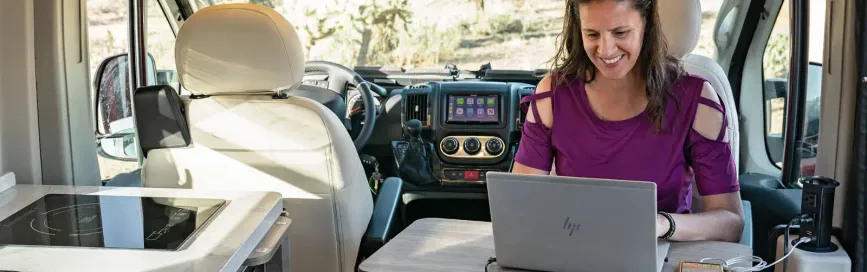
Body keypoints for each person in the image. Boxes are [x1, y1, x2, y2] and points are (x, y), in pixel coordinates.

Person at [512, 0, 745, 242]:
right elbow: (519, 204)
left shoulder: (695, 98)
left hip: (660, 252)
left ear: (647, 24)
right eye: (592, 34)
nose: (605, 49)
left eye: (621, 32)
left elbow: (731, 222)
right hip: (574, 251)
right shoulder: (553, 94)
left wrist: (663, 224)